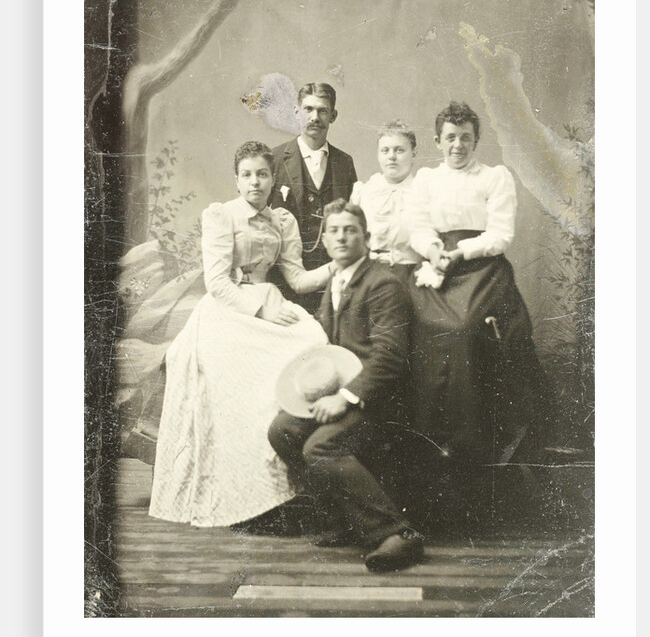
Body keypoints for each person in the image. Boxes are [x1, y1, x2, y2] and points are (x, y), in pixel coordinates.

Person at [148, 141, 334, 528]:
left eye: (262, 174)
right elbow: (217, 283)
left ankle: (295, 477)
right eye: (247, 175)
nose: (255, 182)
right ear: (236, 180)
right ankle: (254, 491)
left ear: (272, 178)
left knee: (312, 339)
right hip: (228, 310)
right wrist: (259, 308)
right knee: (248, 383)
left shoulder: (283, 221)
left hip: (270, 299)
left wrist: (343, 264)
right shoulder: (221, 216)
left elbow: (297, 281)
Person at [268, 199, 424, 573]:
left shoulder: (382, 283)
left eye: (350, 230)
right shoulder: (337, 281)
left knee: (322, 444)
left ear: (366, 238)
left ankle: (397, 534)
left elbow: (390, 356)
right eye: (334, 230)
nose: (341, 237)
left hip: (382, 399)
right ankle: (343, 519)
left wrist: (346, 397)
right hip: (349, 396)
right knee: (283, 430)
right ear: (324, 240)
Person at [407, 101, 548, 465]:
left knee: (464, 330)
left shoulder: (494, 177)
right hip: (438, 265)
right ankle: (431, 437)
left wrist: (460, 252)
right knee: (419, 328)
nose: (458, 145)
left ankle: (475, 439)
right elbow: (418, 227)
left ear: (476, 140)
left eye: (466, 138)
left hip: (482, 271)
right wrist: (433, 248)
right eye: (450, 138)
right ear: (438, 141)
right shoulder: (426, 179)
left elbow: (501, 235)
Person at [270, 82, 357, 313]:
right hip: (282, 282)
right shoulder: (274, 159)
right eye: (308, 109)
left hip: (331, 280)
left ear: (333, 116)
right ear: (297, 112)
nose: (315, 117)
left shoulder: (344, 163)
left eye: (322, 110)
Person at [350, 118, 422, 287]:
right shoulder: (365, 192)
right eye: (385, 150)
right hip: (370, 276)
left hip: (411, 276)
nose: (392, 156)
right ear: (378, 154)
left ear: (413, 153)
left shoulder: (423, 191)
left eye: (399, 150)